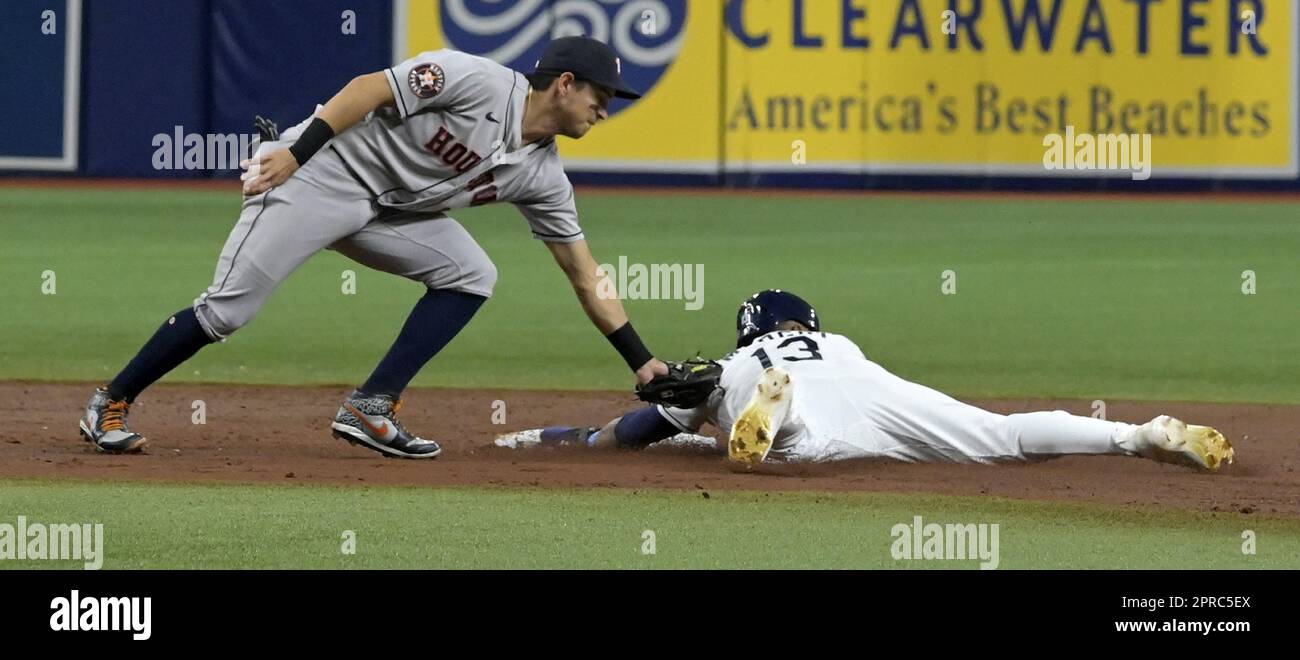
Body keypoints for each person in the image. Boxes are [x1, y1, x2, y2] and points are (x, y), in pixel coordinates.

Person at [79, 37, 668, 459]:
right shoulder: (478, 80)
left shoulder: (544, 177)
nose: (606, 107)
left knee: (471, 274)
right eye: (601, 93)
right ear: (564, 83)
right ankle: (111, 401)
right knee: (228, 310)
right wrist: (294, 154)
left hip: (382, 211)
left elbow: (586, 275)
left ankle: (372, 405)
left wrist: (641, 362)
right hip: (315, 177)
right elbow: (367, 89)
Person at [499, 289, 1236, 472]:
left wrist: (556, 435)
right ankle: (1137, 434)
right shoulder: (838, 340)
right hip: (877, 390)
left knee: (802, 449)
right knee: (1003, 434)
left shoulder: (730, 365)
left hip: (770, 389)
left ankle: (771, 418)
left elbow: (625, 434)